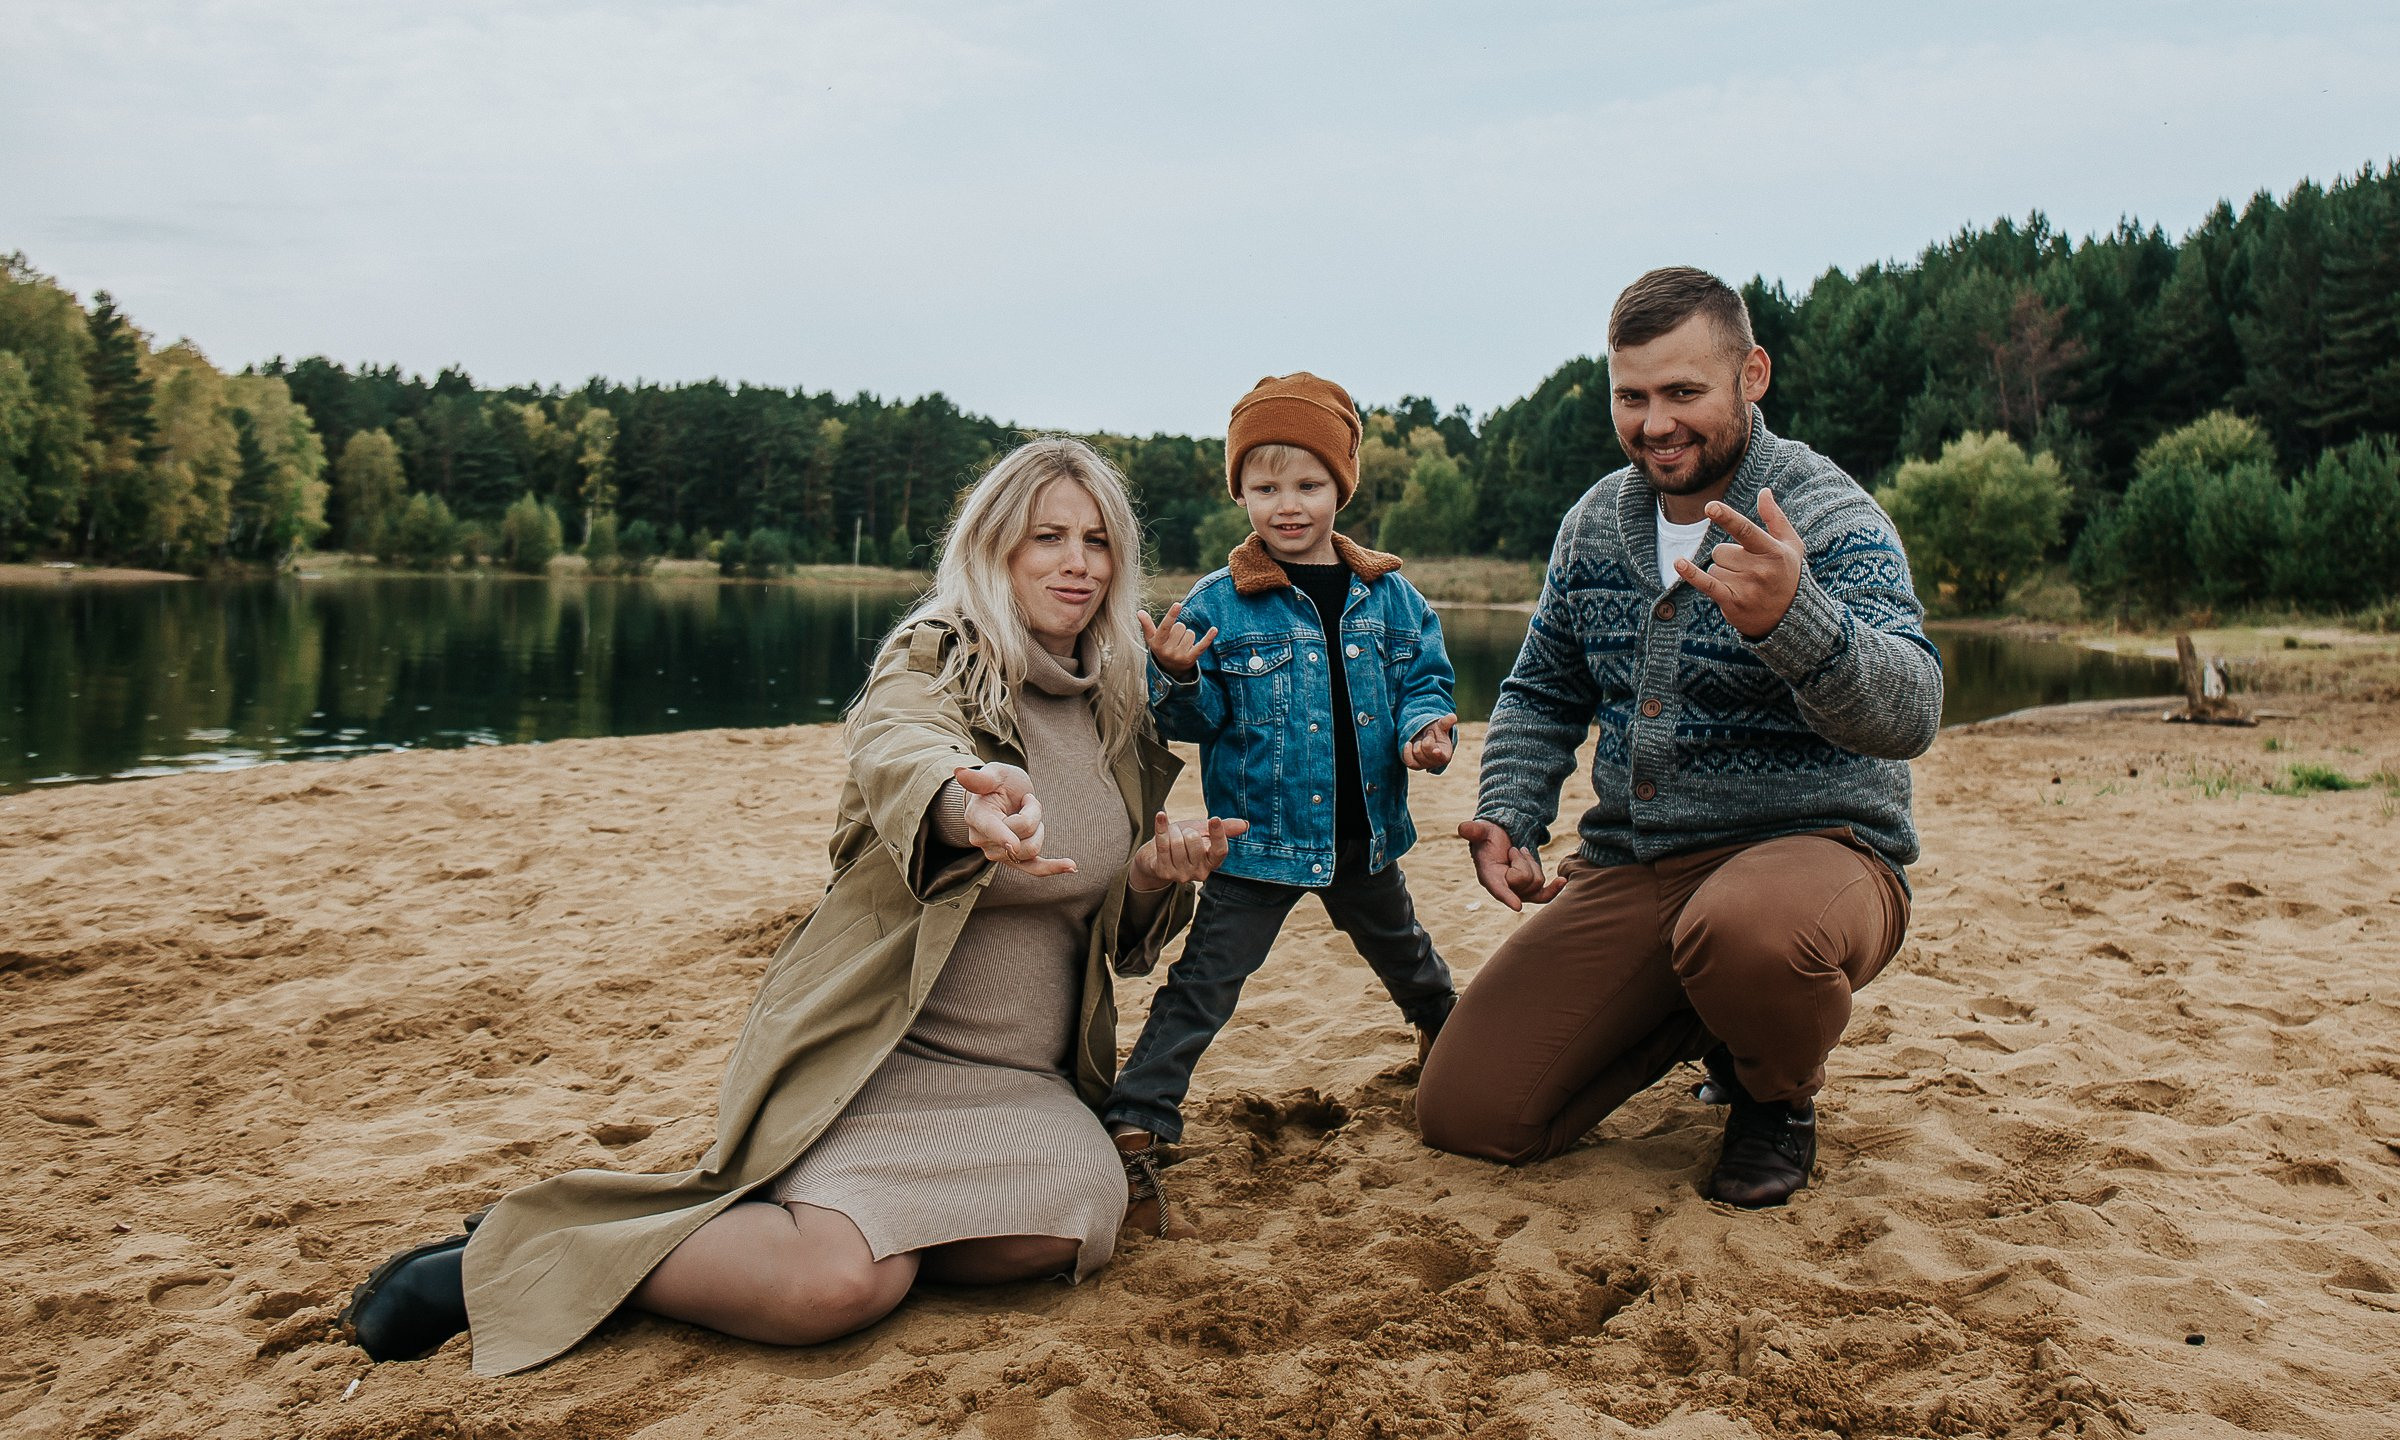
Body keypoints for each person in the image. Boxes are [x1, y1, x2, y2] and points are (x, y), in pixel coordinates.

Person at [339, 438, 1250, 1375]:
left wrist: (1149, 878)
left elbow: (1119, 946)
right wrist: (961, 801)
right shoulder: (934, 656)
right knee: (838, 1290)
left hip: (1021, 1079)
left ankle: (760, 1235)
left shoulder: (1116, 706)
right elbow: (900, 744)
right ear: (994, 551)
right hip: (876, 1059)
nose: (1076, 564)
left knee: (1068, 1231)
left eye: (1096, 541)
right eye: (1047, 538)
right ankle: (512, 1260)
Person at [1417, 267, 1942, 1208]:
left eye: (1684, 392)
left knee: (1745, 934)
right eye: (1633, 396)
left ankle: (1771, 1095)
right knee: (1470, 1114)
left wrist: (1798, 619)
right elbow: (1541, 689)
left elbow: (1912, 712)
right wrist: (1512, 812)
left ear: (1753, 377)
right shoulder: (1592, 527)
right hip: (1641, 865)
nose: (1656, 422)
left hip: (1817, 857)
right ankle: (1708, 1013)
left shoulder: (1826, 515)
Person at [1105, 372, 1462, 1217]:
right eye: (1264, 487)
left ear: (1341, 484)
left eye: (1307, 484)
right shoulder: (1217, 605)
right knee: (1206, 982)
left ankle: (1452, 1042)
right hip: (1257, 841)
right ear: (1241, 492)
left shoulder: (1392, 595)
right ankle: (1137, 1119)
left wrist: (1428, 728)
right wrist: (1176, 675)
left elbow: (1425, 679)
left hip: (1363, 838)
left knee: (1408, 958)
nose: (1287, 504)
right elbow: (1196, 721)